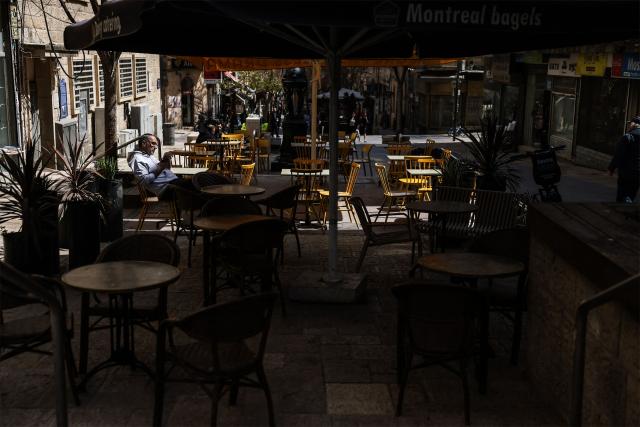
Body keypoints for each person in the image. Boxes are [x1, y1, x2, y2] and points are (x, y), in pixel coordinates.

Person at [128, 134, 193, 200]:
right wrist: (160, 169)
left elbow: (165, 169)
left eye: (156, 144)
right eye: (153, 143)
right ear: (144, 143)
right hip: (165, 188)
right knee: (193, 186)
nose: (156, 147)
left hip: (172, 181)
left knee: (196, 182)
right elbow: (144, 181)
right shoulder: (137, 158)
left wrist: (165, 159)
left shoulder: (149, 155)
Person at [608, 116, 640, 202]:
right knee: (631, 194)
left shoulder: (627, 137)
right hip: (638, 173)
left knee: (622, 194)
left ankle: (621, 210)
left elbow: (618, 155)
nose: (629, 125)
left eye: (631, 123)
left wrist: (611, 168)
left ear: (635, 124)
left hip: (626, 172)